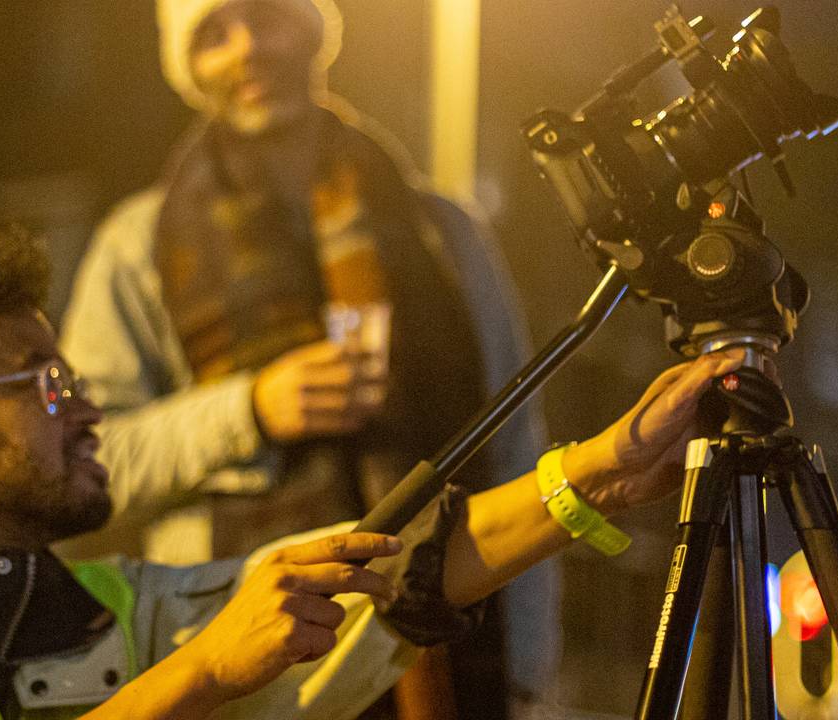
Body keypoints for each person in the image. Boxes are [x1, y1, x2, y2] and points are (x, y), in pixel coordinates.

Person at [0, 222, 746, 719]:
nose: (88, 404)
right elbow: (217, 655)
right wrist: (201, 672)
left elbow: (390, 571)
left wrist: (600, 472)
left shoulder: (102, 608)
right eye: (41, 384)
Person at [59, 0, 550, 713]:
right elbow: (84, 469)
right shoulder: (139, 244)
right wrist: (249, 411)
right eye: (214, 35)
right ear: (185, 65)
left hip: (446, 655)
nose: (249, 47)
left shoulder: (442, 232)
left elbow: (514, 449)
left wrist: (526, 668)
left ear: (318, 26)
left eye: (269, 16)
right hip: (249, 679)